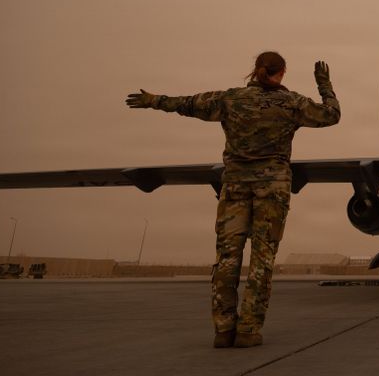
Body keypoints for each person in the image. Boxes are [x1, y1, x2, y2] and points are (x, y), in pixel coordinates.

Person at [125, 51, 340, 347]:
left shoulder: (231, 99)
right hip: (273, 188)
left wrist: (154, 100)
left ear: (256, 70)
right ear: (282, 73)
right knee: (262, 260)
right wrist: (324, 85)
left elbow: (187, 104)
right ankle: (249, 329)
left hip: (235, 187)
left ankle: (223, 329)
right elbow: (332, 115)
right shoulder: (292, 103)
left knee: (227, 258)